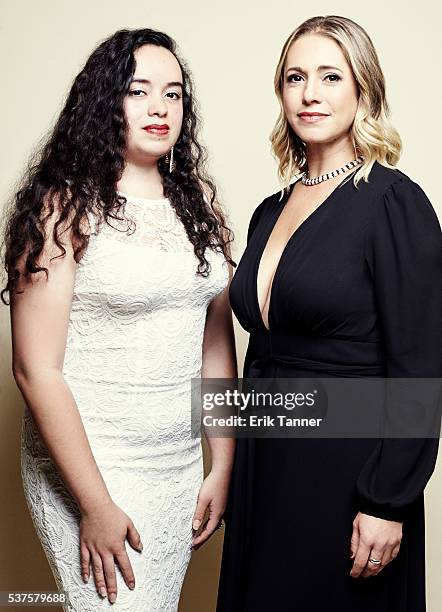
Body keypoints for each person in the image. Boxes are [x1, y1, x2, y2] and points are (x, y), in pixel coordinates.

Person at [1, 28, 236, 611]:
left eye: (175, 93)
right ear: (105, 103)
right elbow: (36, 370)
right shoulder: (62, 207)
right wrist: (96, 504)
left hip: (177, 467)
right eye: (139, 91)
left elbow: (213, 343)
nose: (161, 108)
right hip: (92, 466)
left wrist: (224, 459)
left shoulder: (197, 201)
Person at [217, 14, 442, 612]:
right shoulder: (269, 209)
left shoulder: (393, 201)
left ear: (363, 89)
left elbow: (421, 365)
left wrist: (388, 500)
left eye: (330, 77)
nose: (310, 93)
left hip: (348, 470)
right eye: (295, 77)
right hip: (267, 457)